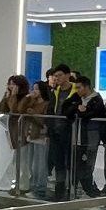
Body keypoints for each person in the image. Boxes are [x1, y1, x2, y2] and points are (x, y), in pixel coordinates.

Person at [64, 74, 105, 197]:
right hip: (77, 138)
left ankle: (89, 191)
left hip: (90, 139)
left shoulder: (97, 100)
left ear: (87, 87)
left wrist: (82, 111)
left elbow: (90, 114)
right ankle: (76, 190)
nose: (77, 90)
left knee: (87, 165)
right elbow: (67, 111)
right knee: (75, 165)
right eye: (76, 88)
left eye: (79, 87)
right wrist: (78, 109)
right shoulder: (77, 98)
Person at [0, 75, 32, 194]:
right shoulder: (10, 96)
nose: (11, 86)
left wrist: (13, 96)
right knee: (16, 160)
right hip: (13, 131)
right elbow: (1, 108)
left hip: (22, 131)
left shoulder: (26, 98)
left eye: (13, 84)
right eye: (9, 84)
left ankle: (23, 185)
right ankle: (17, 184)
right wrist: (7, 96)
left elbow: (16, 110)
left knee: (22, 161)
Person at [44, 65, 77, 198]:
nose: (57, 78)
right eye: (55, 76)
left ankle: (71, 189)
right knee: (58, 162)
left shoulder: (76, 91)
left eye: (60, 75)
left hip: (70, 132)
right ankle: (59, 189)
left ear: (68, 75)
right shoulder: (55, 92)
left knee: (70, 161)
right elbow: (50, 111)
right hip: (55, 132)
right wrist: (50, 128)